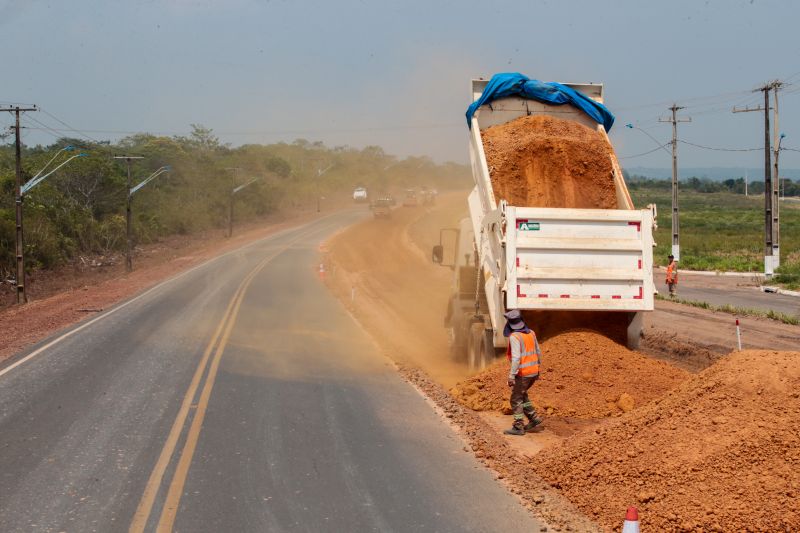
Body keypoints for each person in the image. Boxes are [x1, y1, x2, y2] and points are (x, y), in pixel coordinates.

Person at [502, 309, 543, 436]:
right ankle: (534, 418)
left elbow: (516, 358)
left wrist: (511, 375)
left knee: (515, 399)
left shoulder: (515, 337)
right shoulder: (531, 333)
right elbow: (538, 352)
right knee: (522, 395)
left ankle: (518, 425)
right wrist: (537, 369)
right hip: (533, 372)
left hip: (523, 373)